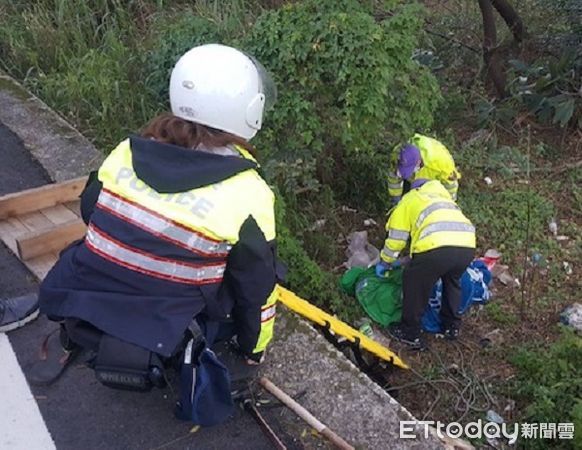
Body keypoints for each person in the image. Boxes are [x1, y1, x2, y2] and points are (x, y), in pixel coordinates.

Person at [39, 44, 282, 394]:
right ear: (248, 111)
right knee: (237, 273)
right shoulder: (248, 192)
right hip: (169, 325)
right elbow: (256, 289)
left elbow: (91, 211)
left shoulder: (127, 150)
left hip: (95, 292)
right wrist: (253, 348)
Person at [377, 145, 475, 349]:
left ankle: (410, 331)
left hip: (436, 248)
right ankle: (452, 325)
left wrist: (385, 261)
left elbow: (396, 238)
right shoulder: (443, 196)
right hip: (466, 245)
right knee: (452, 280)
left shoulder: (411, 199)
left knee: (413, 280)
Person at [387, 133, 460, 205]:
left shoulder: (442, 164)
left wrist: (449, 203)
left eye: (409, 169)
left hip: (434, 183)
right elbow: (394, 177)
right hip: (415, 180)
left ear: (418, 163)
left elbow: (450, 186)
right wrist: (396, 201)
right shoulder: (400, 153)